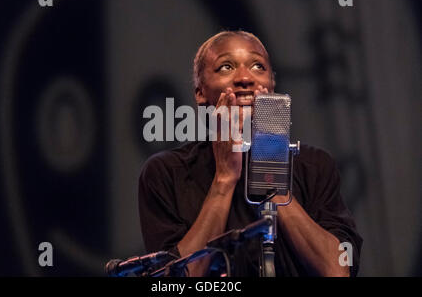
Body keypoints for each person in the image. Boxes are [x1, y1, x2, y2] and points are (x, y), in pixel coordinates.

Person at [138, 30, 362, 277]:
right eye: (226, 67)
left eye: (258, 66)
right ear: (200, 92)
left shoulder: (314, 166)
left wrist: (271, 172)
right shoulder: (166, 173)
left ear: (272, 84)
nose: (245, 78)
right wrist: (224, 179)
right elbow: (175, 281)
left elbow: (337, 271)